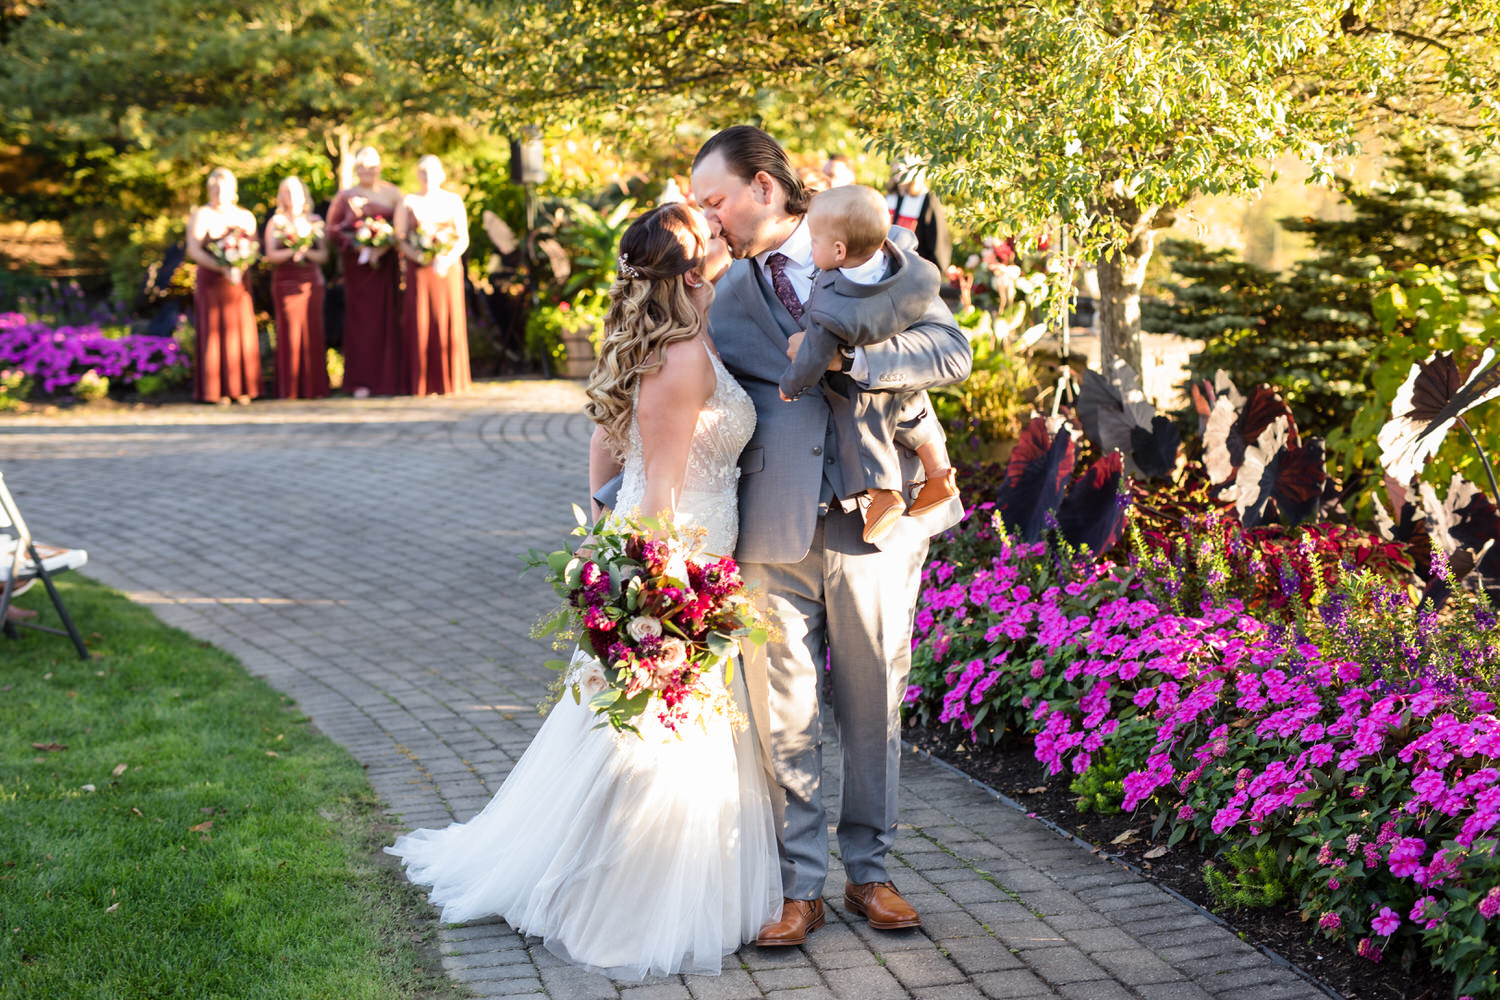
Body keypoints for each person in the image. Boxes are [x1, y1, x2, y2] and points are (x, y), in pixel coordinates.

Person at [387, 203, 781, 980]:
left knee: (622, 728)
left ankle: (585, 871)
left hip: (674, 549)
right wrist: (666, 600)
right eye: (706, 236)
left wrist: (604, 528)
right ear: (691, 269)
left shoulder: (678, 338)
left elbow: (609, 449)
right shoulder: (680, 359)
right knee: (649, 733)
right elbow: (662, 495)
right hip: (679, 561)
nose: (719, 233)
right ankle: (621, 903)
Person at [689, 125, 970, 946]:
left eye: (717, 201)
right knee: (784, 716)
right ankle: (798, 886)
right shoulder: (722, 294)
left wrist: (863, 365)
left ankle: (870, 875)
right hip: (770, 530)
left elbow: (950, 351)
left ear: (764, 190)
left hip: (876, 525)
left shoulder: (877, 260)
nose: (710, 219)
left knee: (875, 706)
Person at [778, 185, 960, 542]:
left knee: (862, 418)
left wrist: (791, 386)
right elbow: (913, 256)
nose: (810, 248)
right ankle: (939, 473)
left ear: (838, 250)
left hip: (863, 379)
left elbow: (813, 356)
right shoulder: (903, 264)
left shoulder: (832, 305)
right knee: (911, 399)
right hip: (903, 370)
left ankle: (882, 492)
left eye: (813, 242)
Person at [326, 146, 403, 397]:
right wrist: (358, 244)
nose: (367, 171)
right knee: (361, 321)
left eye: (372, 166)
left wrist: (385, 244)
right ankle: (361, 380)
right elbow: (333, 230)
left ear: (379, 167)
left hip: (385, 265)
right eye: (362, 166)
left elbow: (402, 229)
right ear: (356, 168)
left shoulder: (393, 193)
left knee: (387, 317)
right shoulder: (346, 195)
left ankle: (389, 378)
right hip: (358, 267)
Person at [395, 155, 472, 396]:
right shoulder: (408, 202)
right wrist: (417, 256)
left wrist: (446, 258)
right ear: (418, 175)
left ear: (441, 174)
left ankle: (450, 381)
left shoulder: (453, 200)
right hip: (420, 271)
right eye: (423, 172)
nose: (428, 176)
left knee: (446, 319)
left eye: (432, 171)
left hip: (446, 269)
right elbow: (400, 238)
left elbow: (463, 238)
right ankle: (422, 381)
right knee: (421, 321)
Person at [186, 167, 261, 405]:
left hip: (238, 282)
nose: (219, 192)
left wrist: (239, 266)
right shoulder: (202, 215)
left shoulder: (245, 216)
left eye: (224, 188)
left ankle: (244, 388)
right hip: (212, 281)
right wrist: (222, 268)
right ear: (209, 190)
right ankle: (216, 390)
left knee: (241, 331)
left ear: (233, 190)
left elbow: (255, 249)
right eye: (214, 188)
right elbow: (193, 249)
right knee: (214, 333)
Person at [263, 177, 330, 399]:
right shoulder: (277, 222)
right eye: (286, 192)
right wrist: (293, 252)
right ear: (281, 196)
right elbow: (270, 255)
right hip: (285, 282)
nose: (291, 196)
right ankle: (290, 388)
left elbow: (324, 255)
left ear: (303, 194)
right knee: (289, 332)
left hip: (311, 282)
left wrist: (306, 252)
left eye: (295, 191)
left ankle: (315, 387)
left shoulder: (315, 221)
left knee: (314, 331)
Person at [886, 154, 952, 273]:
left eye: (906, 164)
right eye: (897, 163)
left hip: (915, 273)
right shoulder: (888, 198)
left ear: (918, 169)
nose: (900, 168)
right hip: (887, 270)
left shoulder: (927, 200)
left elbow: (938, 244)